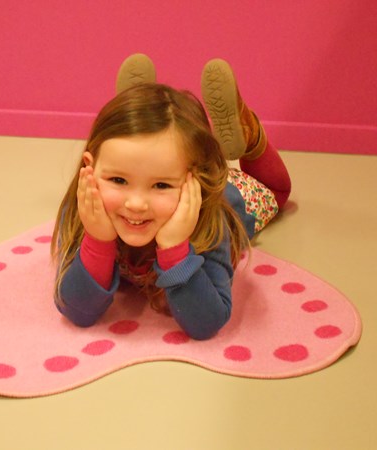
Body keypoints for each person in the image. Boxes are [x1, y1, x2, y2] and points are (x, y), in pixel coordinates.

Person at [50, 54, 291, 340]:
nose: (136, 204)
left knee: (277, 190)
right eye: (118, 180)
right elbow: (77, 311)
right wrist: (98, 240)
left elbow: (206, 324)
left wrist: (175, 250)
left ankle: (249, 135)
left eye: (161, 185)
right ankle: (144, 120)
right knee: (150, 160)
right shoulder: (88, 203)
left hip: (229, 190)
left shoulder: (213, 217)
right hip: (175, 165)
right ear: (89, 168)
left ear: (197, 182)